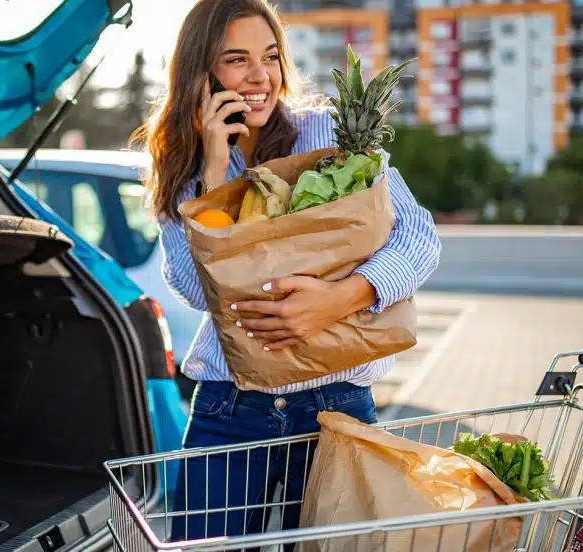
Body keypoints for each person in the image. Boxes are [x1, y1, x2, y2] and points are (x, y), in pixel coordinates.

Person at [129, 0, 442, 543]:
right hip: (229, 408)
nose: (260, 76)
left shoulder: (329, 134)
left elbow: (418, 237)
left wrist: (344, 296)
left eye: (270, 57)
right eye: (237, 59)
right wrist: (212, 168)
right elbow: (196, 290)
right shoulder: (184, 163)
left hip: (335, 406)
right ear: (202, 72)